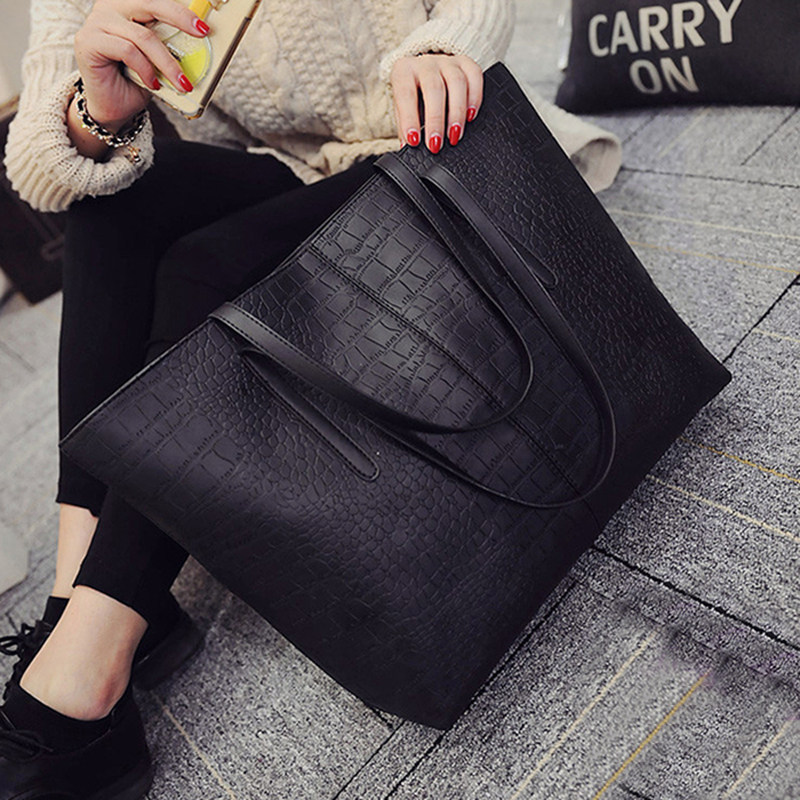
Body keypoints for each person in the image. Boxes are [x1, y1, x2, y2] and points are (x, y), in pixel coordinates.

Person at [0, 0, 619, 796]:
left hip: (441, 138)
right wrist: (96, 112)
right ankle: (78, 597)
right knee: (108, 205)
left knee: (202, 270)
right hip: (297, 169)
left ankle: (90, 662)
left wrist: (444, 46)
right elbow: (39, 175)